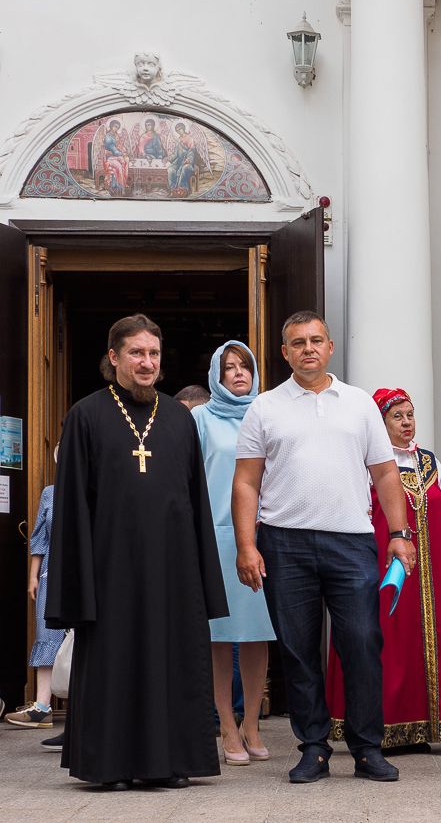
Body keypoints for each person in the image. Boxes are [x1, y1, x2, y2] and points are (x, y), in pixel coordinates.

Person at [45, 314, 229, 790]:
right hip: (110, 569)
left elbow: (196, 500)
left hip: (171, 568)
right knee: (114, 662)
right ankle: (109, 765)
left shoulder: (179, 418)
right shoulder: (86, 415)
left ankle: (167, 763)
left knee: (170, 659)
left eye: (154, 354)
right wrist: (77, 582)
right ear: (113, 358)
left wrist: (201, 577)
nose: (147, 363)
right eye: (136, 353)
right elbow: (72, 508)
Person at [232, 311, 416, 785]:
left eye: (316, 340)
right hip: (284, 543)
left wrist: (399, 534)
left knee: (360, 644)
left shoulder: (358, 404)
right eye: (298, 343)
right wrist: (246, 545)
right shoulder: (265, 407)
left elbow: (386, 472)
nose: (308, 349)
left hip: (351, 541)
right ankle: (313, 748)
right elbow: (247, 481)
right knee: (297, 651)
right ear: (285, 352)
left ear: (330, 347)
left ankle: (366, 748)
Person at [325, 387, 441, 751]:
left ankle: (426, 725)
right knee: (385, 642)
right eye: (397, 416)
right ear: (380, 422)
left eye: (410, 414)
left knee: (426, 642)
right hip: (383, 571)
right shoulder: (367, 463)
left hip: (430, 574)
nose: (406, 422)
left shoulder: (430, 463)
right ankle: (384, 727)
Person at [192, 341, 276, 765]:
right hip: (218, 536)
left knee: (258, 633)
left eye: (245, 366)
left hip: (264, 534)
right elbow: (189, 477)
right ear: (217, 375)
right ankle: (225, 723)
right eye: (229, 368)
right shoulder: (200, 418)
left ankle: (252, 725)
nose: (239, 374)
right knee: (221, 635)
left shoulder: (267, 413)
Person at [5, 453, 65, 732]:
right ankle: (42, 707)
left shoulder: (95, 487)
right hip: (51, 574)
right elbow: (40, 536)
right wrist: (32, 576)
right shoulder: (49, 493)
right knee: (46, 634)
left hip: (86, 574)